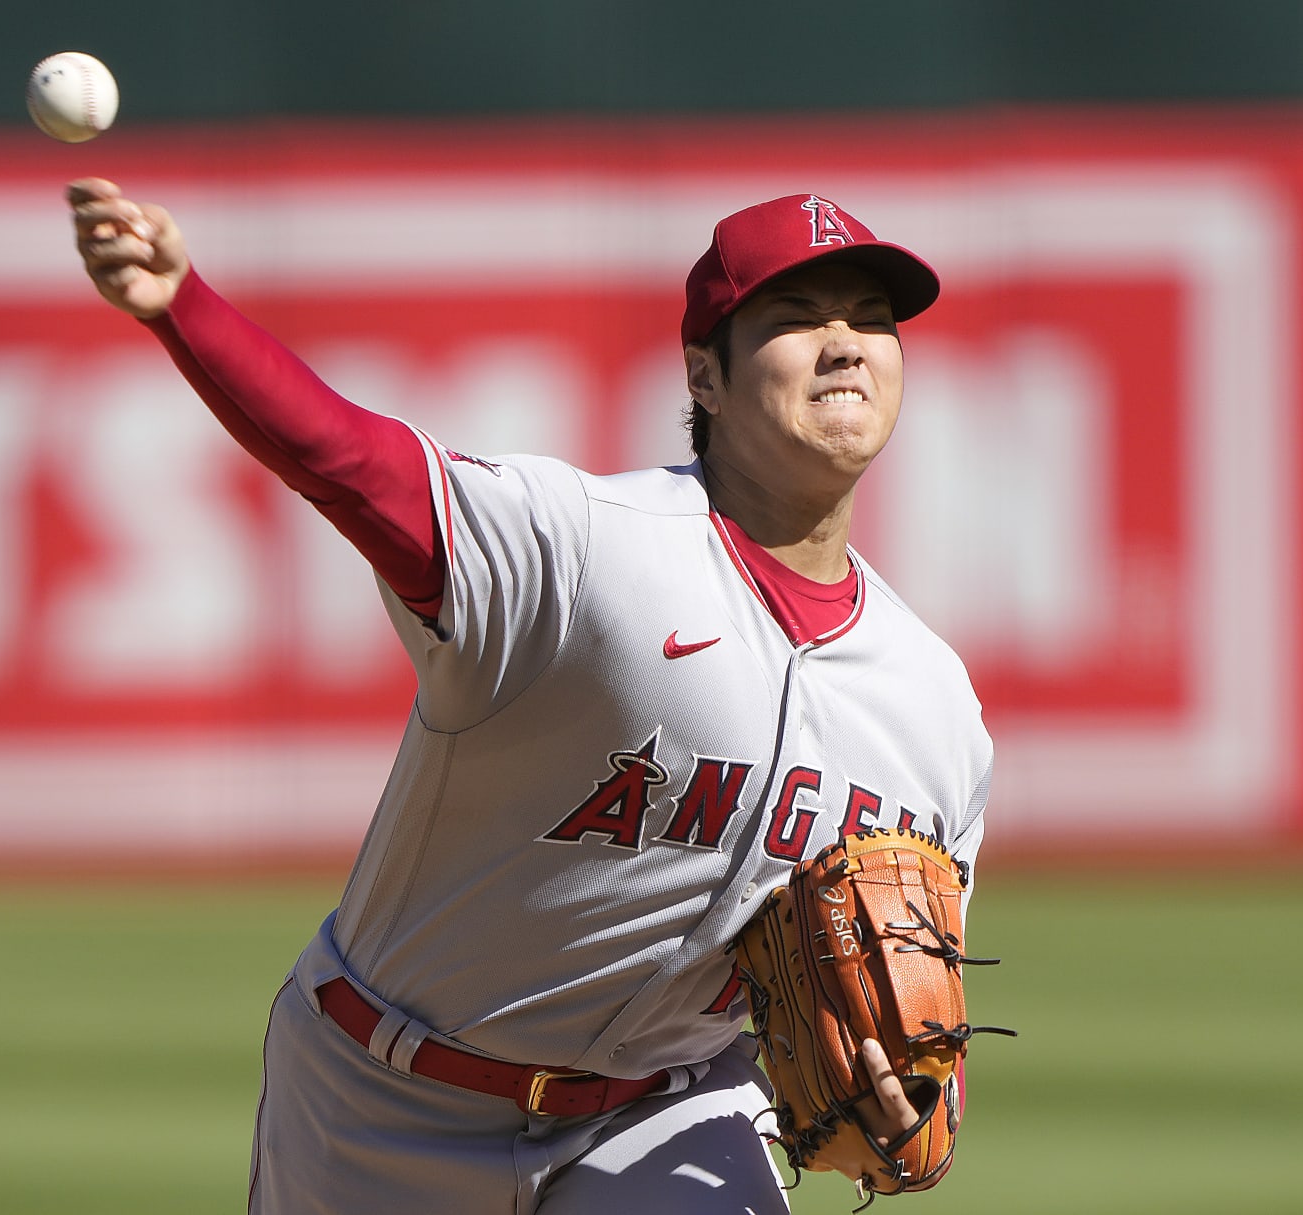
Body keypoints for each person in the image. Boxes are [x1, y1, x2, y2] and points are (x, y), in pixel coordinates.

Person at [67, 181, 993, 1214]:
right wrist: (182, 306)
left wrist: (907, 1116)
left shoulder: (935, 706)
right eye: (796, 318)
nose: (846, 343)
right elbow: (350, 463)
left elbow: (918, 1014)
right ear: (706, 376)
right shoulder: (585, 547)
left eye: (872, 319)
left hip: (669, 1110)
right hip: (387, 1101)